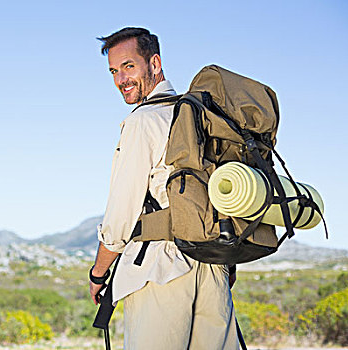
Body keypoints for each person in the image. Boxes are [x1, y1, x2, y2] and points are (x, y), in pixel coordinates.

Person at [89, 27, 239, 349]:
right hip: (213, 264)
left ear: (154, 64)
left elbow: (121, 212)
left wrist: (99, 272)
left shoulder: (143, 121)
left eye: (129, 66)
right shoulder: (201, 116)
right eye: (114, 71)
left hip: (161, 269)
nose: (120, 79)